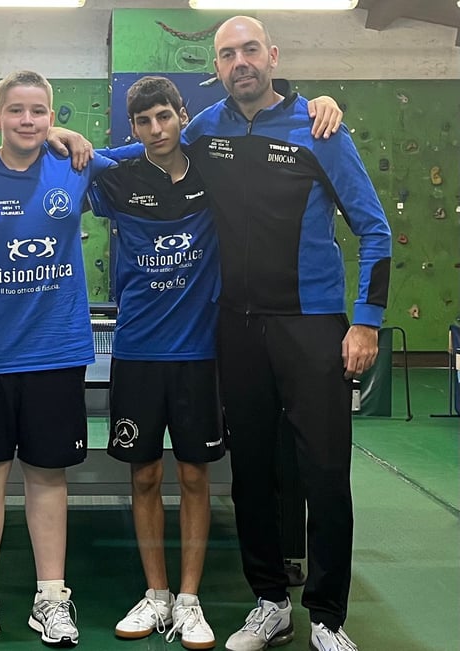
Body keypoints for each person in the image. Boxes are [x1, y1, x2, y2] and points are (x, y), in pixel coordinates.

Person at [178, 17, 390, 651]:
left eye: (250, 50)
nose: (240, 62)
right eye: (227, 54)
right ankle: (270, 602)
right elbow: (149, 156)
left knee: (323, 472)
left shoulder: (320, 128)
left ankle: (326, 617)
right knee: (251, 473)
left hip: (311, 327)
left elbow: (374, 228)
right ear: (216, 67)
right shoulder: (204, 129)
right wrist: (68, 142)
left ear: (272, 56)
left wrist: (366, 321)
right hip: (237, 328)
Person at [0, 70, 115, 651]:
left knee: (46, 475)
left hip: (55, 350)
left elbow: (152, 153)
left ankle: (52, 597)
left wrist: (71, 136)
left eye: (38, 111)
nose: (26, 120)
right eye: (15, 110)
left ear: (51, 117)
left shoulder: (75, 165)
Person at [87, 76, 225, 651]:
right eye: (143, 122)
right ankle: (157, 593)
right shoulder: (119, 180)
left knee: (194, 476)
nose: (156, 129)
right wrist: (76, 139)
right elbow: (76, 156)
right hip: (137, 351)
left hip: (198, 354)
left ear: (182, 116)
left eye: (165, 117)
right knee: (143, 476)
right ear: (133, 127)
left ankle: (189, 601)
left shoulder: (213, 172)